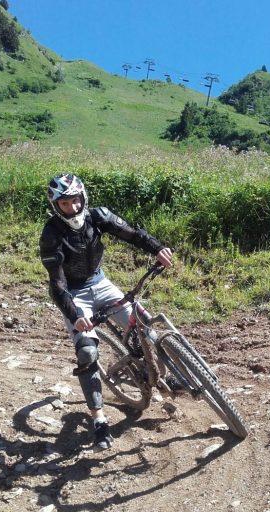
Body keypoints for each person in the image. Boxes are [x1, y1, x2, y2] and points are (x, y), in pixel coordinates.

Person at [39, 173, 173, 451]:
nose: (73, 208)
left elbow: (132, 233)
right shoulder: (51, 234)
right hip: (75, 296)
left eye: (75, 201)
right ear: (56, 206)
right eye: (65, 204)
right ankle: (99, 420)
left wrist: (157, 248)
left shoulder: (98, 216)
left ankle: (162, 368)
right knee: (87, 353)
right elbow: (57, 284)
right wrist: (76, 315)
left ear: (83, 198)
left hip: (100, 283)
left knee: (145, 323)